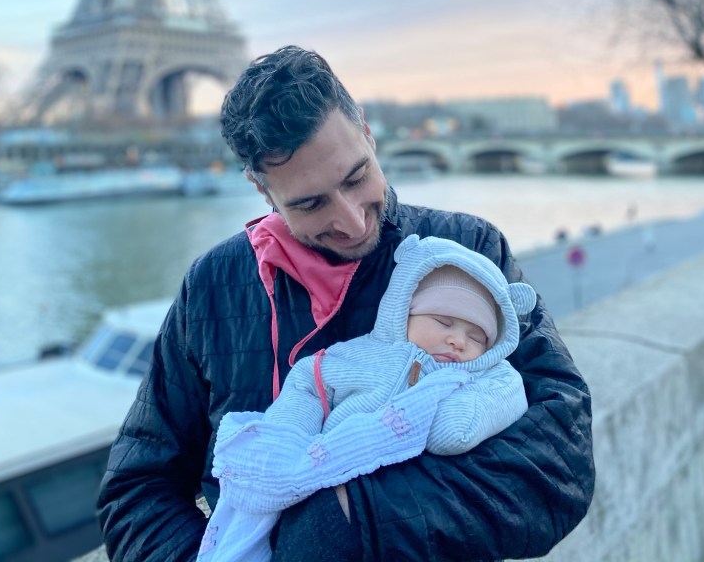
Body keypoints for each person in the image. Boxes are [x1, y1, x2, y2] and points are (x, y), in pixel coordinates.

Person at [98, 45, 595, 562]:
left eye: (357, 178)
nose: (353, 221)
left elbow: (562, 457)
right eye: (310, 204)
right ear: (263, 191)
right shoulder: (210, 286)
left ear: (367, 133)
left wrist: (349, 519)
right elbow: (137, 488)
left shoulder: (468, 250)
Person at [197, 233, 537, 562]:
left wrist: (449, 400)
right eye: (443, 321)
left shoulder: (486, 378)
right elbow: (308, 382)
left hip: (414, 511)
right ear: (405, 310)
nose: (458, 341)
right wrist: (291, 438)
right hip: (325, 483)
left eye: (477, 336)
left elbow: (455, 431)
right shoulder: (364, 355)